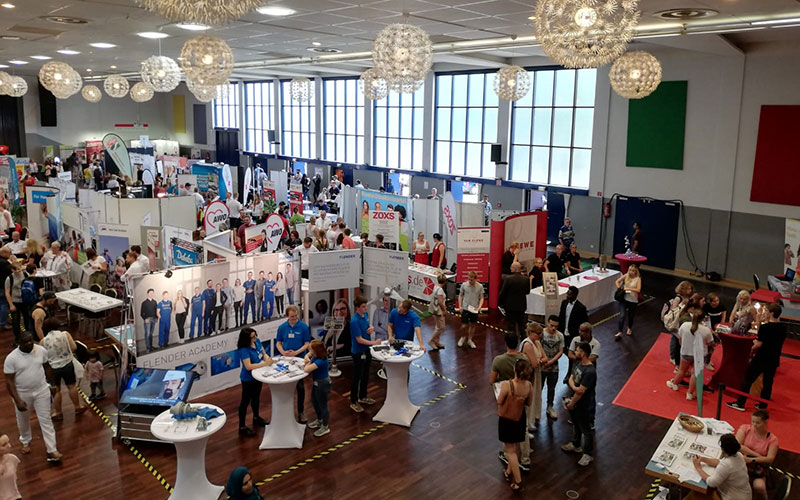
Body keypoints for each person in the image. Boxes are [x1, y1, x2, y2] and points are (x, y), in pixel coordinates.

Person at [4, 331, 62, 463]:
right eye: (26, 342)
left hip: (42, 390)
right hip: (22, 393)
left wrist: (53, 384)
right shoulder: (11, 358)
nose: (30, 343)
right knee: (23, 419)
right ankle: (25, 441)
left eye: (31, 340)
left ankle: (52, 450)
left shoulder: (41, 350)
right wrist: (17, 400)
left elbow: (47, 367)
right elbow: (9, 381)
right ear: (19, 343)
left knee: (46, 420)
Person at [727, 303, 786, 412]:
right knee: (768, 382)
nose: (765, 313)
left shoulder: (765, 327)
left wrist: (754, 345)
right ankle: (763, 405)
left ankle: (740, 403)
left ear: (771, 313)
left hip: (761, 358)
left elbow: (759, 342)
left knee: (747, 379)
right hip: (774, 358)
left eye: (767, 311)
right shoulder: (783, 327)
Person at [497, 358, 532, 492]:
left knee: (510, 451)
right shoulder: (529, 385)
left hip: (507, 419)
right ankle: (508, 472)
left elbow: (500, 400)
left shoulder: (508, 384)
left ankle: (518, 481)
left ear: (515, 370)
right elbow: (529, 403)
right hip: (520, 418)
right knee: (514, 447)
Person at [40, 320, 87, 420]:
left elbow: (42, 357)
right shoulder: (65, 334)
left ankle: (58, 412)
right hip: (67, 364)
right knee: (71, 386)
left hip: (52, 368)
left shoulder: (43, 341)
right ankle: (77, 407)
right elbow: (74, 347)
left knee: (56, 390)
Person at [561, 342, 597, 467]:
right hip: (573, 399)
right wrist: (575, 388)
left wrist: (572, 402)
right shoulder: (578, 363)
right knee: (576, 423)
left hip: (583, 404)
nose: (574, 352)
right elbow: (571, 378)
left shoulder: (590, 371)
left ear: (583, 353)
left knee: (586, 429)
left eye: (577, 351)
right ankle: (576, 444)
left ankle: (588, 454)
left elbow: (581, 392)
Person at [667, 309, 713, 400]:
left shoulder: (684, 325)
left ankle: (674, 384)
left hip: (686, 352)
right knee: (695, 374)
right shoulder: (707, 330)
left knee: (682, 370)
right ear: (703, 319)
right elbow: (710, 343)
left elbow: (679, 339)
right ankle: (690, 393)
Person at [276, 305, 311, 422]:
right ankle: (284, 411)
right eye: (292, 316)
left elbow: (307, 344)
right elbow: (278, 343)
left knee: (300, 387)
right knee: (284, 386)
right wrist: (283, 352)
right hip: (285, 360)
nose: (295, 318)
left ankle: (301, 411)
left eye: (296, 316)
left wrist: (296, 352)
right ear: (287, 316)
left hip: (299, 360)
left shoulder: (303, 326)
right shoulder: (282, 327)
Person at [692, 434, 752, 500]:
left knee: (701, 494)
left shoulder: (726, 465)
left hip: (733, 497)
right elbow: (719, 462)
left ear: (723, 450)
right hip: (745, 493)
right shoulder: (738, 455)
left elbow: (711, 483)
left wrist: (698, 468)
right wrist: (703, 459)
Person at [236, 327, 273, 436]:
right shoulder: (243, 349)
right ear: (246, 339)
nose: (255, 338)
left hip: (259, 376)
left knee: (256, 398)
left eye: (255, 335)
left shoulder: (257, 341)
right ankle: (242, 426)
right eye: (252, 337)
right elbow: (248, 366)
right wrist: (265, 364)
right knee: (245, 401)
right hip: (248, 379)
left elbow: (263, 354)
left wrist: (268, 359)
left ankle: (256, 417)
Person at [350, 295, 382, 413]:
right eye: (363, 307)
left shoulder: (365, 315)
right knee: (357, 376)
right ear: (357, 307)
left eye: (365, 306)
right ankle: (353, 401)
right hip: (358, 352)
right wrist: (374, 343)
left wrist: (371, 328)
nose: (365, 308)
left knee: (365, 374)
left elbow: (369, 326)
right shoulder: (354, 321)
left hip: (366, 350)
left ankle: (363, 396)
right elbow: (359, 340)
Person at [558, 286, 588, 378]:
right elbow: (561, 317)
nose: (567, 295)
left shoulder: (581, 308)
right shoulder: (564, 303)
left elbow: (584, 323)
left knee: (572, 355)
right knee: (564, 351)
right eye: (567, 293)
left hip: (573, 335)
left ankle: (570, 373)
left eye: (569, 294)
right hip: (563, 333)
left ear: (575, 295)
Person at [520, 323, 545, 435]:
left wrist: (539, 360)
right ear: (530, 333)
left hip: (536, 374)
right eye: (538, 333)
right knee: (528, 399)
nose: (540, 336)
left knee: (535, 396)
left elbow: (545, 358)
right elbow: (534, 364)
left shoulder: (537, 343)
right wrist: (540, 361)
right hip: (528, 376)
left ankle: (530, 421)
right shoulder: (527, 344)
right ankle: (525, 425)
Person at [304, 339, 331, 437]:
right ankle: (319, 420)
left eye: (311, 349)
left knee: (323, 405)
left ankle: (325, 426)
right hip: (317, 383)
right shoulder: (316, 356)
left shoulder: (321, 361)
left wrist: (307, 362)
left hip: (322, 383)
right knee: (314, 401)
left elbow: (307, 369)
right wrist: (308, 358)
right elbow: (307, 355)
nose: (309, 350)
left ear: (316, 350)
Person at [540, 315, 564, 420]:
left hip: (554, 367)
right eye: (552, 325)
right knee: (539, 387)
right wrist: (544, 361)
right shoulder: (541, 333)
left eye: (556, 326)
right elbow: (538, 347)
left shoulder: (560, 336)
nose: (553, 328)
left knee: (551, 388)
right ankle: (536, 407)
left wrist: (551, 362)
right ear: (548, 323)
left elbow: (560, 351)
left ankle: (550, 406)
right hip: (542, 365)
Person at [498, 262, 529, 338]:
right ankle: (523, 340)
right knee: (521, 325)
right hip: (521, 305)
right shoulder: (526, 279)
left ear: (515, 269)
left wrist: (499, 302)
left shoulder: (508, 279)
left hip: (510, 306)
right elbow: (527, 292)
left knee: (511, 325)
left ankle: (512, 340)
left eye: (511, 267)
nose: (510, 268)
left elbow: (503, 292)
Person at [456, 271, 484, 349]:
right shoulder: (464, 285)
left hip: (474, 309)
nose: (470, 281)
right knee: (464, 325)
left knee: (473, 325)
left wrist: (479, 307)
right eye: (469, 279)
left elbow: (481, 297)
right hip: (465, 308)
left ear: (475, 279)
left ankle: (470, 340)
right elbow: (460, 295)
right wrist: (460, 306)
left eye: (472, 280)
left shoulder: (480, 286)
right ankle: (463, 337)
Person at [614, 264, 641, 339]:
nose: (631, 272)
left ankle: (629, 328)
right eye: (630, 270)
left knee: (631, 316)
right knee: (622, 316)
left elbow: (638, 289)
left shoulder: (638, 279)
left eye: (633, 271)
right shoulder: (626, 276)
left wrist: (628, 288)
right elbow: (617, 281)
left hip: (633, 301)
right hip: (624, 299)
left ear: (636, 272)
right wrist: (619, 288)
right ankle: (620, 331)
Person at [428, 274, 447, 350]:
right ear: (445, 282)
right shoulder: (440, 290)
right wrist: (444, 310)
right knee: (441, 327)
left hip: (434, 309)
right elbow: (440, 302)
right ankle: (431, 340)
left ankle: (437, 341)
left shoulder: (435, 286)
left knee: (438, 326)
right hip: (439, 310)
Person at [0, 433, 21, 500]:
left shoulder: (12, 459)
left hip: (15, 497)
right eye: (4, 445)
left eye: (8, 442)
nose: (9, 446)